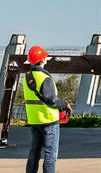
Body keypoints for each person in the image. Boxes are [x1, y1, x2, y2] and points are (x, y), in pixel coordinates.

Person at [23, 44, 71, 173]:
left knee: (34, 152)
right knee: (50, 155)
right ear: (43, 60)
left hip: (35, 120)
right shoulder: (45, 78)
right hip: (49, 120)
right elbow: (52, 100)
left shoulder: (27, 77)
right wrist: (65, 103)